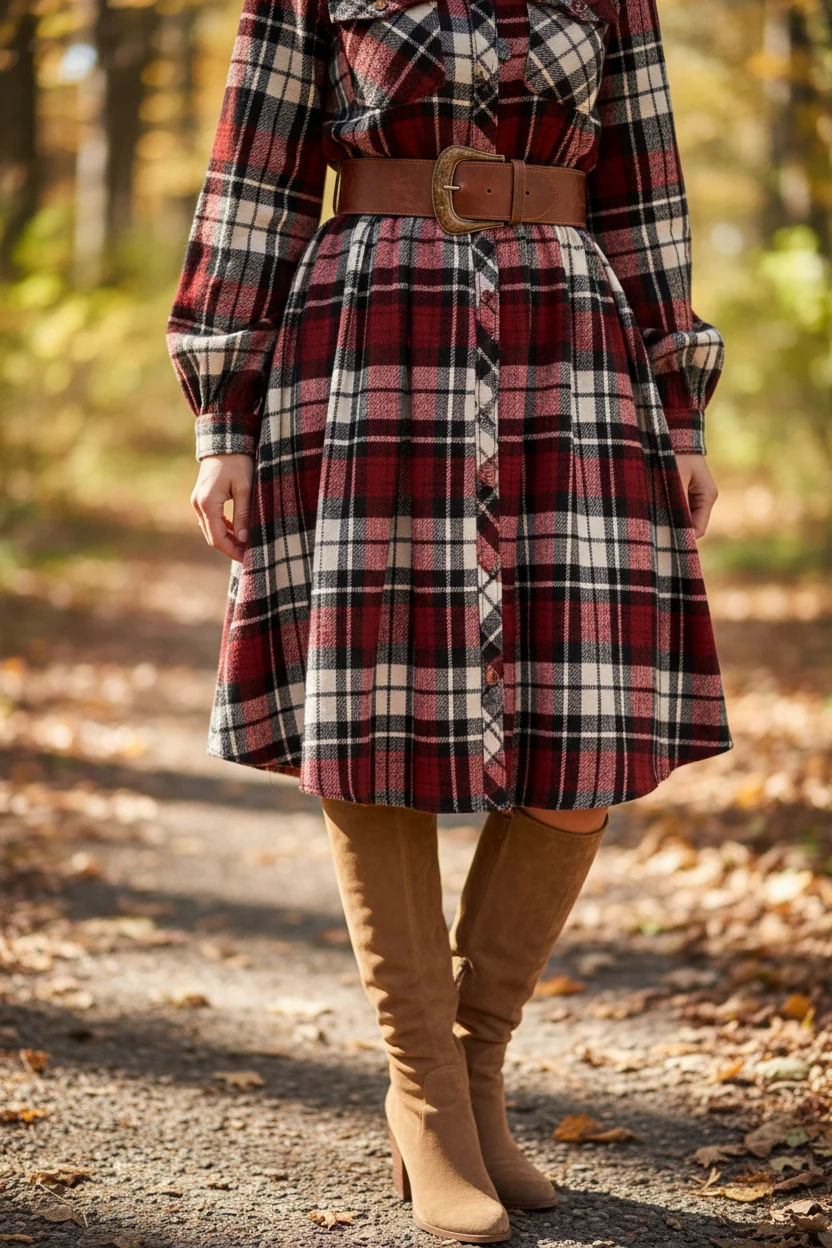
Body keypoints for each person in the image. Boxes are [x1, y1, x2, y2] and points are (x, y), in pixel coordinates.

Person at [167, 0, 733, 1238]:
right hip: (369, 328)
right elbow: (253, 175)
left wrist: (680, 404)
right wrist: (222, 417)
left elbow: (645, 187)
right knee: (376, 706)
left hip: (570, 338)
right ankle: (424, 1096)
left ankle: (475, 1073)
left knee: (588, 720)